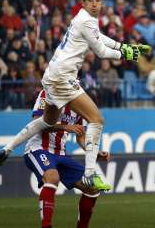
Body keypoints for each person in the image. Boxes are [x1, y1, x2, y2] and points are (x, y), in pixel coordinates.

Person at [0, 0, 150, 192]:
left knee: (47, 121)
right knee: (97, 119)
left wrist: (124, 47)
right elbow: (102, 52)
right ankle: (89, 175)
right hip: (63, 77)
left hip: (52, 75)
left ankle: (6, 149)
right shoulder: (86, 19)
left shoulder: (84, 19)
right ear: (83, 2)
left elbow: (101, 38)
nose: (95, 3)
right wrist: (127, 54)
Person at [24, 89, 110, 228]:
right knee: (52, 177)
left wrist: (95, 151)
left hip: (61, 154)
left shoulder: (80, 105)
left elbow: (80, 136)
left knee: (92, 188)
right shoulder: (47, 94)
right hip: (38, 149)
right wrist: (66, 127)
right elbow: (36, 124)